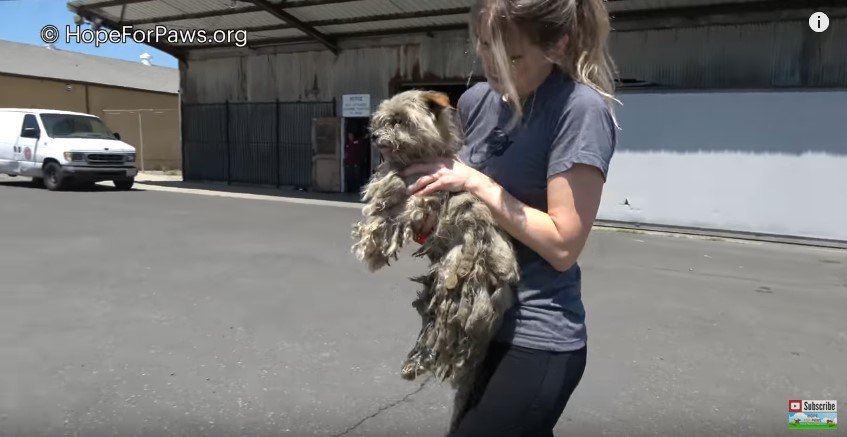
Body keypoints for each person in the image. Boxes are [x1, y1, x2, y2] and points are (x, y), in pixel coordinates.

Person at [401, 0, 618, 434]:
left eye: (512, 56)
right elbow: (463, 209)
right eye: (483, 47)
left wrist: (475, 183)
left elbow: (562, 246)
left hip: (538, 334)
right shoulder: (478, 100)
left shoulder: (578, 109)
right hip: (479, 327)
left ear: (559, 44)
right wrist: (428, 219)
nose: (494, 66)